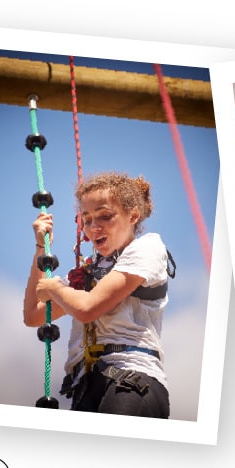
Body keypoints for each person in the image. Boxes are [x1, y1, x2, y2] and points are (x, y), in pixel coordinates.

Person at [23, 172, 173, 418]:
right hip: (87, 389)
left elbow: (87, 309)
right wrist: (41, 247)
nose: (94, 227)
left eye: (105, 216)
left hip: (131, 382)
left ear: (133, 215)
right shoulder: (88, 272)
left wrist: (55, 289)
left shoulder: (147, 247)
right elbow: (33, 316)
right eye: (87, 219)